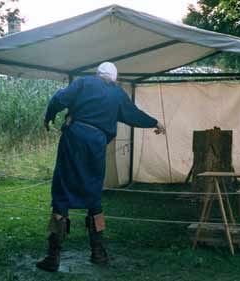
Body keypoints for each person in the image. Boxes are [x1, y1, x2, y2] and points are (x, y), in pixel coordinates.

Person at [36, 62, 165, 272]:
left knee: (62, 190)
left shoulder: (84, 82)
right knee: (94, 192)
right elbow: (133, 114)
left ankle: (53, 256)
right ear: (114, 78)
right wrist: (154, 122)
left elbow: (59, 99)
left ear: (98, 75)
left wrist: (49, 117)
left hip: (74, 138)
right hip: (96, 143)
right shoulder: (118, 94)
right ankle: (98, 253)